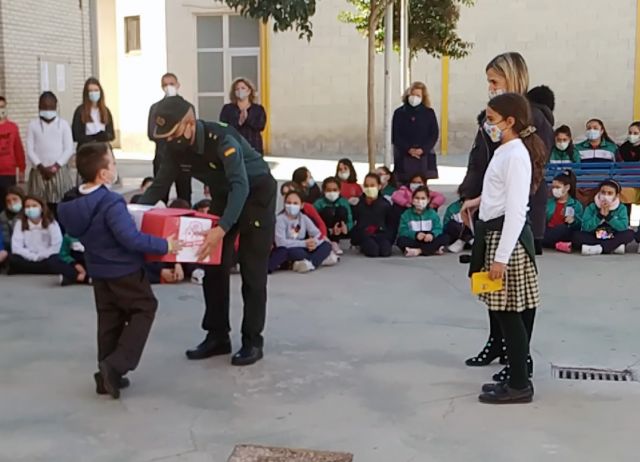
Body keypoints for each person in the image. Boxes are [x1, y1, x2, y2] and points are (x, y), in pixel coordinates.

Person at [138, 96, 277, 366]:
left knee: (252, 270)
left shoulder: (221, 139)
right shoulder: (173, 148)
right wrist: (131, 215)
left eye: (174, 133)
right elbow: (159, 186)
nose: (169, 141)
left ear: (189, 124)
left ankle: (252, 341)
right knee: (213, 266)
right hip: (225, 195)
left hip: (255, 194)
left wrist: (222, 228)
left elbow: (241, 186)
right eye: (164, 137)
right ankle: (217, 337)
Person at [58, 142, 179, 399]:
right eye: (112, 163)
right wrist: (164, 245)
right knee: (145, 308)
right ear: (103, 174)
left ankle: (106, 377)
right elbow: (131, 239)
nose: (115, 167)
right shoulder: (110, 202)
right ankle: (116, 365)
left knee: (109, 319)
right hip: (124, 270)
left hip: (98, 271)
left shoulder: (72, 201)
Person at [458, 52, 553, 371]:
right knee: (493, 288)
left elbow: (528, 175)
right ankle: (497, 343)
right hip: (489, 210)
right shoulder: (492, 117)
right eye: (488, 82)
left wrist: (495, 200)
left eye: (494, 82)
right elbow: (481, 159)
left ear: (512, 80)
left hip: (515, 216)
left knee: (519, 294)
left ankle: (519, 357)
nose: (490, 88)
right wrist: (473, 195)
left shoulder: (530, 120)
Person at [469, 93, 544, 404]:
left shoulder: (515, 155)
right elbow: (498, 193)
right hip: (496, 233)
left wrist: (500, 258)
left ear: (509, 121)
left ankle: (518, 384)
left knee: (508, 314)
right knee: (505, 313)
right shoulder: (505, 150)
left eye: (491, 119)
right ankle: (516, 377)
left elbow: (515, 209)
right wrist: (478, 202)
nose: (488, 125)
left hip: (505, 241)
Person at [26, 92, 74, 215]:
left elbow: (69, 148)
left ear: (56, 106)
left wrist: (56, 167)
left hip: (59, 172)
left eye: (50, 107)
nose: (47, 110)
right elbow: (30, 149)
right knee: (39, 204)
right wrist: (41, 167)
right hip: (39, 172)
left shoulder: (63, 125)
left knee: (59, 204)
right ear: (39, 107)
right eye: (44, 107)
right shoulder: (33, 125)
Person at [148, 73, 192, 203]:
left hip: (183, 158)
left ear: (178, 85)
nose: (169, 87)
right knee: (160, 199)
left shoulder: (187, 107)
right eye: (165, 85)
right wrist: (173, 135)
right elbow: (152, 133)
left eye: (171, 84)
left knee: (184, 198)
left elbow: (190, 132)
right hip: (163, 158)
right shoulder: (155, 108)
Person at [269, 190, 334, 273]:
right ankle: (316, 260)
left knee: (326, 245)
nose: (291, 205)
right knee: (297, 253)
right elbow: (281, 243)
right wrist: (304, 243)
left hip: (304, 247)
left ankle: (309, 264)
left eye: (295, 203)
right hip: (289, 248)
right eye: (288, 203)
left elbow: (318, 234)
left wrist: (314, 243)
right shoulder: (280, 219)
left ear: (302, 205)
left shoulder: (304, 218)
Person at [392, 81, 439, 182]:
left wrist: (422, 149)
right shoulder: (399, 113)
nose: (414, 97)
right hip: (404, 155)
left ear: (423, 97)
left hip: (423, 156)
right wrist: (409, 149)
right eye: (412, 94)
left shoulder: (429, 113)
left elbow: (434, 134)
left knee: (420, 185)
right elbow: (395, 136)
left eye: (418, 95)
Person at [573, 180, 635, 255]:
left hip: (613, 235)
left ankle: (599, 248)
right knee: (576, 235)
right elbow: (585, 227)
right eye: (603, 192)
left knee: (629, 233)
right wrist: (599, 216)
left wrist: (608, 217)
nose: (605, 196)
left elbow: (623, 227)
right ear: (599, 193)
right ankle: (613, 247)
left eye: (610, 193)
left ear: (616, 195)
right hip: (595, 235)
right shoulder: (591, 207)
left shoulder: (621, 208)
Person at [7, 195, 63, 275]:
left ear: (41, 208)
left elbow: (56, 246)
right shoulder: (19, 223)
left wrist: (41, 256)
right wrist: (32, 256)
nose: (30, 209)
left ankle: (29, 270)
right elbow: (16, 247)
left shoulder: (51, 223)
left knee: (56, 259)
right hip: (27, 257)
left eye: (34, 206)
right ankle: (41, 269)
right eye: (27, 206)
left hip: (46, 257)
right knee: (13, 258)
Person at [396, 186, 449, 257]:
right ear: (412, 199)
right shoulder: (406, 214)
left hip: (429, 239)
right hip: (415, 239)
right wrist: (415, 235)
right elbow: (403, 230)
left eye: (423, 198)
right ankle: (432, 250)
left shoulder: (432, 213)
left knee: (445, 238)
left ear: (428, 200)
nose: (419, 201)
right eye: (417, 198)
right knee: (401, 240)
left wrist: (432, 235)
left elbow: (438, 228)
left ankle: (418, 251)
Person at [220, 78, 267, 154]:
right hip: (234, 147)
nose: (240, 91)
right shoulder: (228, 109)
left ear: (249, 91)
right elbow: (223, 127)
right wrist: (238, 122)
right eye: (237, 89)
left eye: (243, 88)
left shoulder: (258, 109)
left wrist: (247, 119)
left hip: (254, 147)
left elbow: (261, 126)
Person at [351, 173, 393, 258]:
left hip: (381, 234)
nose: (369, 188)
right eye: (366, 185)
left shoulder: (385, 204)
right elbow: (354, 221)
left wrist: (388, 238)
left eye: (372, 185)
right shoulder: (358, 203)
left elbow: (391, 224)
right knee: (373, 251)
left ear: (379, 186)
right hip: (364, 234)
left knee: (385, 251)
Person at [542, 170, 583, 252]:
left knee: (563, 228)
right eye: (553, 187)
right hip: (549, 230)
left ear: (567, 187)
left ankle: (548, 242)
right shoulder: (549, 202)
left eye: (557, 187)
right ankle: (557, 244)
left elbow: (581, 224)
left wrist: (574, 221)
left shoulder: (575, 204)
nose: (554, 190)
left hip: (564, 231)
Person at [313, 176, 353, 256]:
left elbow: (350, 219)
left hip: (340, 231)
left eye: (335, 190)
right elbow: (313, 221)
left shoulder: (344, 202)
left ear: (339, 190)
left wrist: (347, 227)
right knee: (327, 211)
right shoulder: (318, 203)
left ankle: (335, 242)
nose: (332, 192)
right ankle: (327, 241)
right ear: (324, 191)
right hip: (324, 231)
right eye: (329, 190)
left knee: (341, 210)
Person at [72, 78, 115, 150]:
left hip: (103, 149)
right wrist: (93, 138)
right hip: (86, 150)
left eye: (96, 90)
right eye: (90, 91)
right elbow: (76, 135)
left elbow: (112, 135)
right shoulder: (80, 111)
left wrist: (104, 136)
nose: (93, 93)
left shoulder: (106, 111)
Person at [0, 96, 26, 214]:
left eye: (2, 106)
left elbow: (18, 148)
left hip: (9, 172)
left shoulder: (13, 127)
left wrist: (22, 168)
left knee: (9, 204)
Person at [0, 185, 25, 251]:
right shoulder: (3, 216)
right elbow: (6, 240)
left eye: (15, 199)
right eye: (8, 201)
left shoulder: (29, 211)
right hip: (14, 248)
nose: (12, 203)